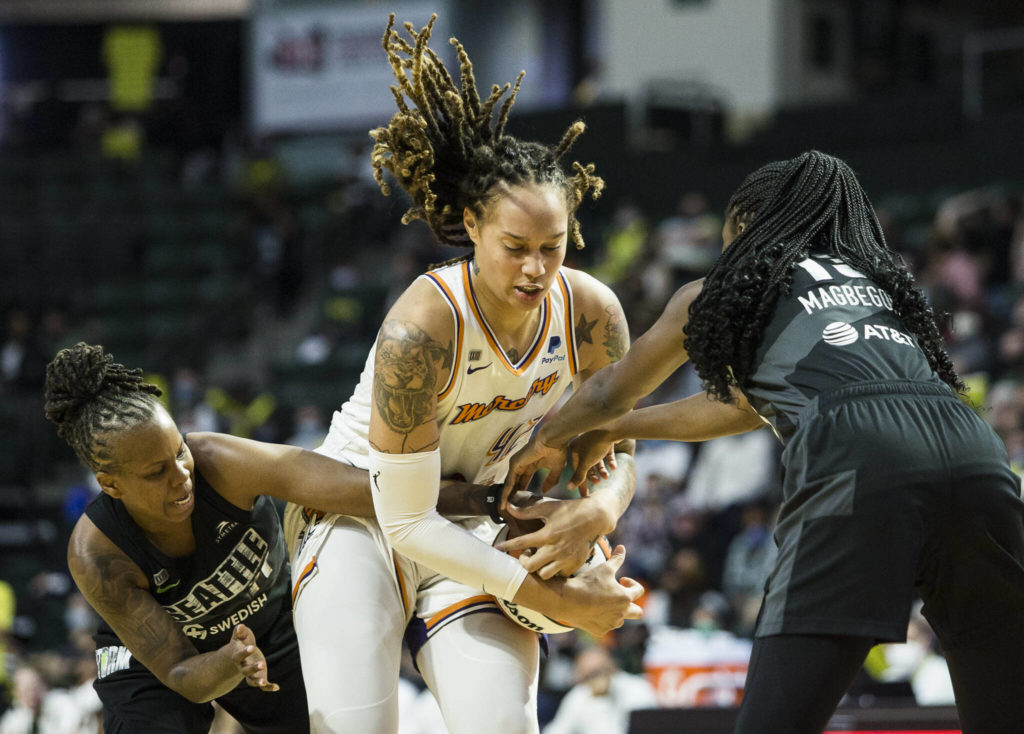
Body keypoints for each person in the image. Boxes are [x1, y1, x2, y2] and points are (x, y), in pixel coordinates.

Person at [506, 151, 1024, 733]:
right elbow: (746, 406)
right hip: (974, 447)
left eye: (729, 235)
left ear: (750, 225)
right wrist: (620, 430)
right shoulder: (874, 282)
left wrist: (544, 438)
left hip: (859, 453)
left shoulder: (731, 285)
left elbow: (606, 392)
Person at [287, 14, 643, 734]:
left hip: (475, 526)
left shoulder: (591, 315)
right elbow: (408, 517)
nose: (537, 269)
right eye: (516, 246)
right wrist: (564, 603)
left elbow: (621, 451)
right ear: (472, 224)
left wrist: (599, 511)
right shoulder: (423, 327)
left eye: (553, 246)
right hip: (366, 523)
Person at [43, 342, 499, 733]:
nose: (182, 474)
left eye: (179, 451)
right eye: (156, 472)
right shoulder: (97, 553)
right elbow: (180, 671)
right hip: (155, 656)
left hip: (268, 624)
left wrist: (481, 500)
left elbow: (362, 490)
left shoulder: (220, 463)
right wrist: (228, 662)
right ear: (111, 484)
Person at [542, 646, 656, 734]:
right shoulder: (578, 695)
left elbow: (649, 725)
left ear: (612, 666)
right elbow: (557, 730)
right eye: (590, 675)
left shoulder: (636, 687)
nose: (597, 679)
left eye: (600, 671)